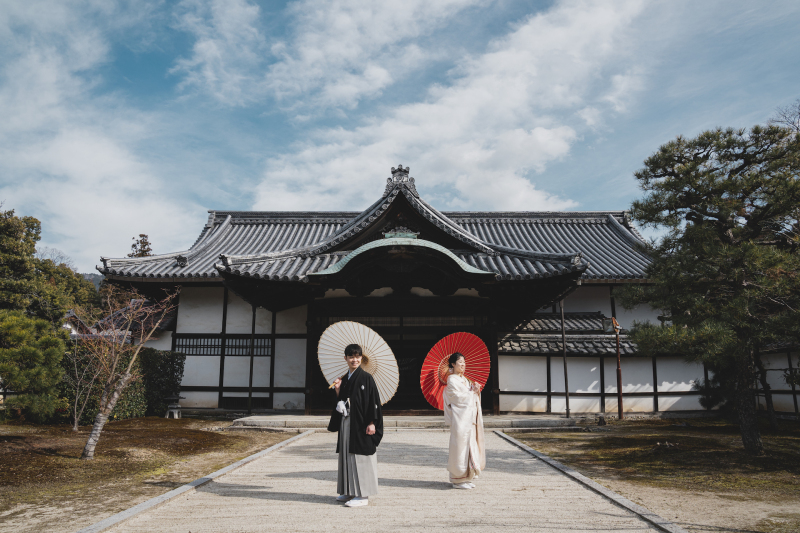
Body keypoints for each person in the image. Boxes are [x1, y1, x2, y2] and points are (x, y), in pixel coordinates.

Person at [327, 343, 384, 507]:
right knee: (347, 455)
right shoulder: (345, 379)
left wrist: (372, 422)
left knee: (360, 456)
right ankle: (349, 490)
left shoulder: (366, 377)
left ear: (361, 358)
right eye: (351, 356)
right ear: (345, 358)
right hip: (347, 422)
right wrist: (338, 390)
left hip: (361, 422)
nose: (355, 359)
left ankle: (363, 494)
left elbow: (373, 402)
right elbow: (342, 400)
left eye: (357, 356)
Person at [442, 351, 486, 489]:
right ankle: (457, 479)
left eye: (464, 362)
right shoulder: (452, 379)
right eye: (460, 362)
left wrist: (475, 390)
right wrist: (471, 393)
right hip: (460, 419)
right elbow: (456, 398)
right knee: (460, 447)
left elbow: (469, 396)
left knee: (470, 446)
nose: (463, 365)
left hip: (468, 419)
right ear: (453, 364)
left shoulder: (465, 380)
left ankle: (467, 477)